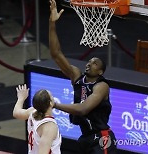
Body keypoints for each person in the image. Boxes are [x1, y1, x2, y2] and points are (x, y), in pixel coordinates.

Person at [49, 0, 117, 154]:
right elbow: (56, 54)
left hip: (102, 138)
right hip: (85, 138)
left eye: (94, 63)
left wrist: (55, 105)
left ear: (100, 72)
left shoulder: (102, 86)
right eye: (89, 61)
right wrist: (52, 23)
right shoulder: (77, 77)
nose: (89, 64)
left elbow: (83, 109)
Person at [13, 84, 62, 154]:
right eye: (52, 96)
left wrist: (21, 98)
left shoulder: (32, 111)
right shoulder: (49, 126)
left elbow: (16, 113)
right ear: (50, 103)